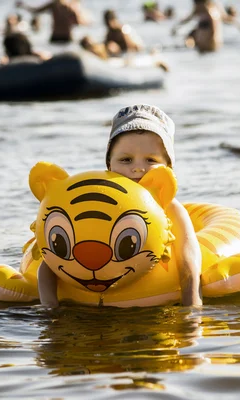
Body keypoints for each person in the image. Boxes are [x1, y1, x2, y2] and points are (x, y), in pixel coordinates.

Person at [38, 104, 203, 307]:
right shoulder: (96, 203)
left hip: (153, 296)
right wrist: (49, 307)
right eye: (126, 159)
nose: (137, 168)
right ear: (109, 165)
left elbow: (189, 256)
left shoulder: (170, 208)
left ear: (168, 168)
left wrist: (192, 306)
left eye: (150, 160)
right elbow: (50, 262)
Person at [171, 0, 235, 53]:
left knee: (190, 36)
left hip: (208, 43)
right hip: (211, 43)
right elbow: (188, 18)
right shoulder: (209, 8)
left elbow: (214, 29)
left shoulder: (208, 11)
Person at [16, 0, 88, 43]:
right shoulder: (69, 6)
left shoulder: (55, 5)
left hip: (57, 36)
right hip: (65, 37)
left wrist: (23, 6)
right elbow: (78, 22)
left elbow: (35, 11)